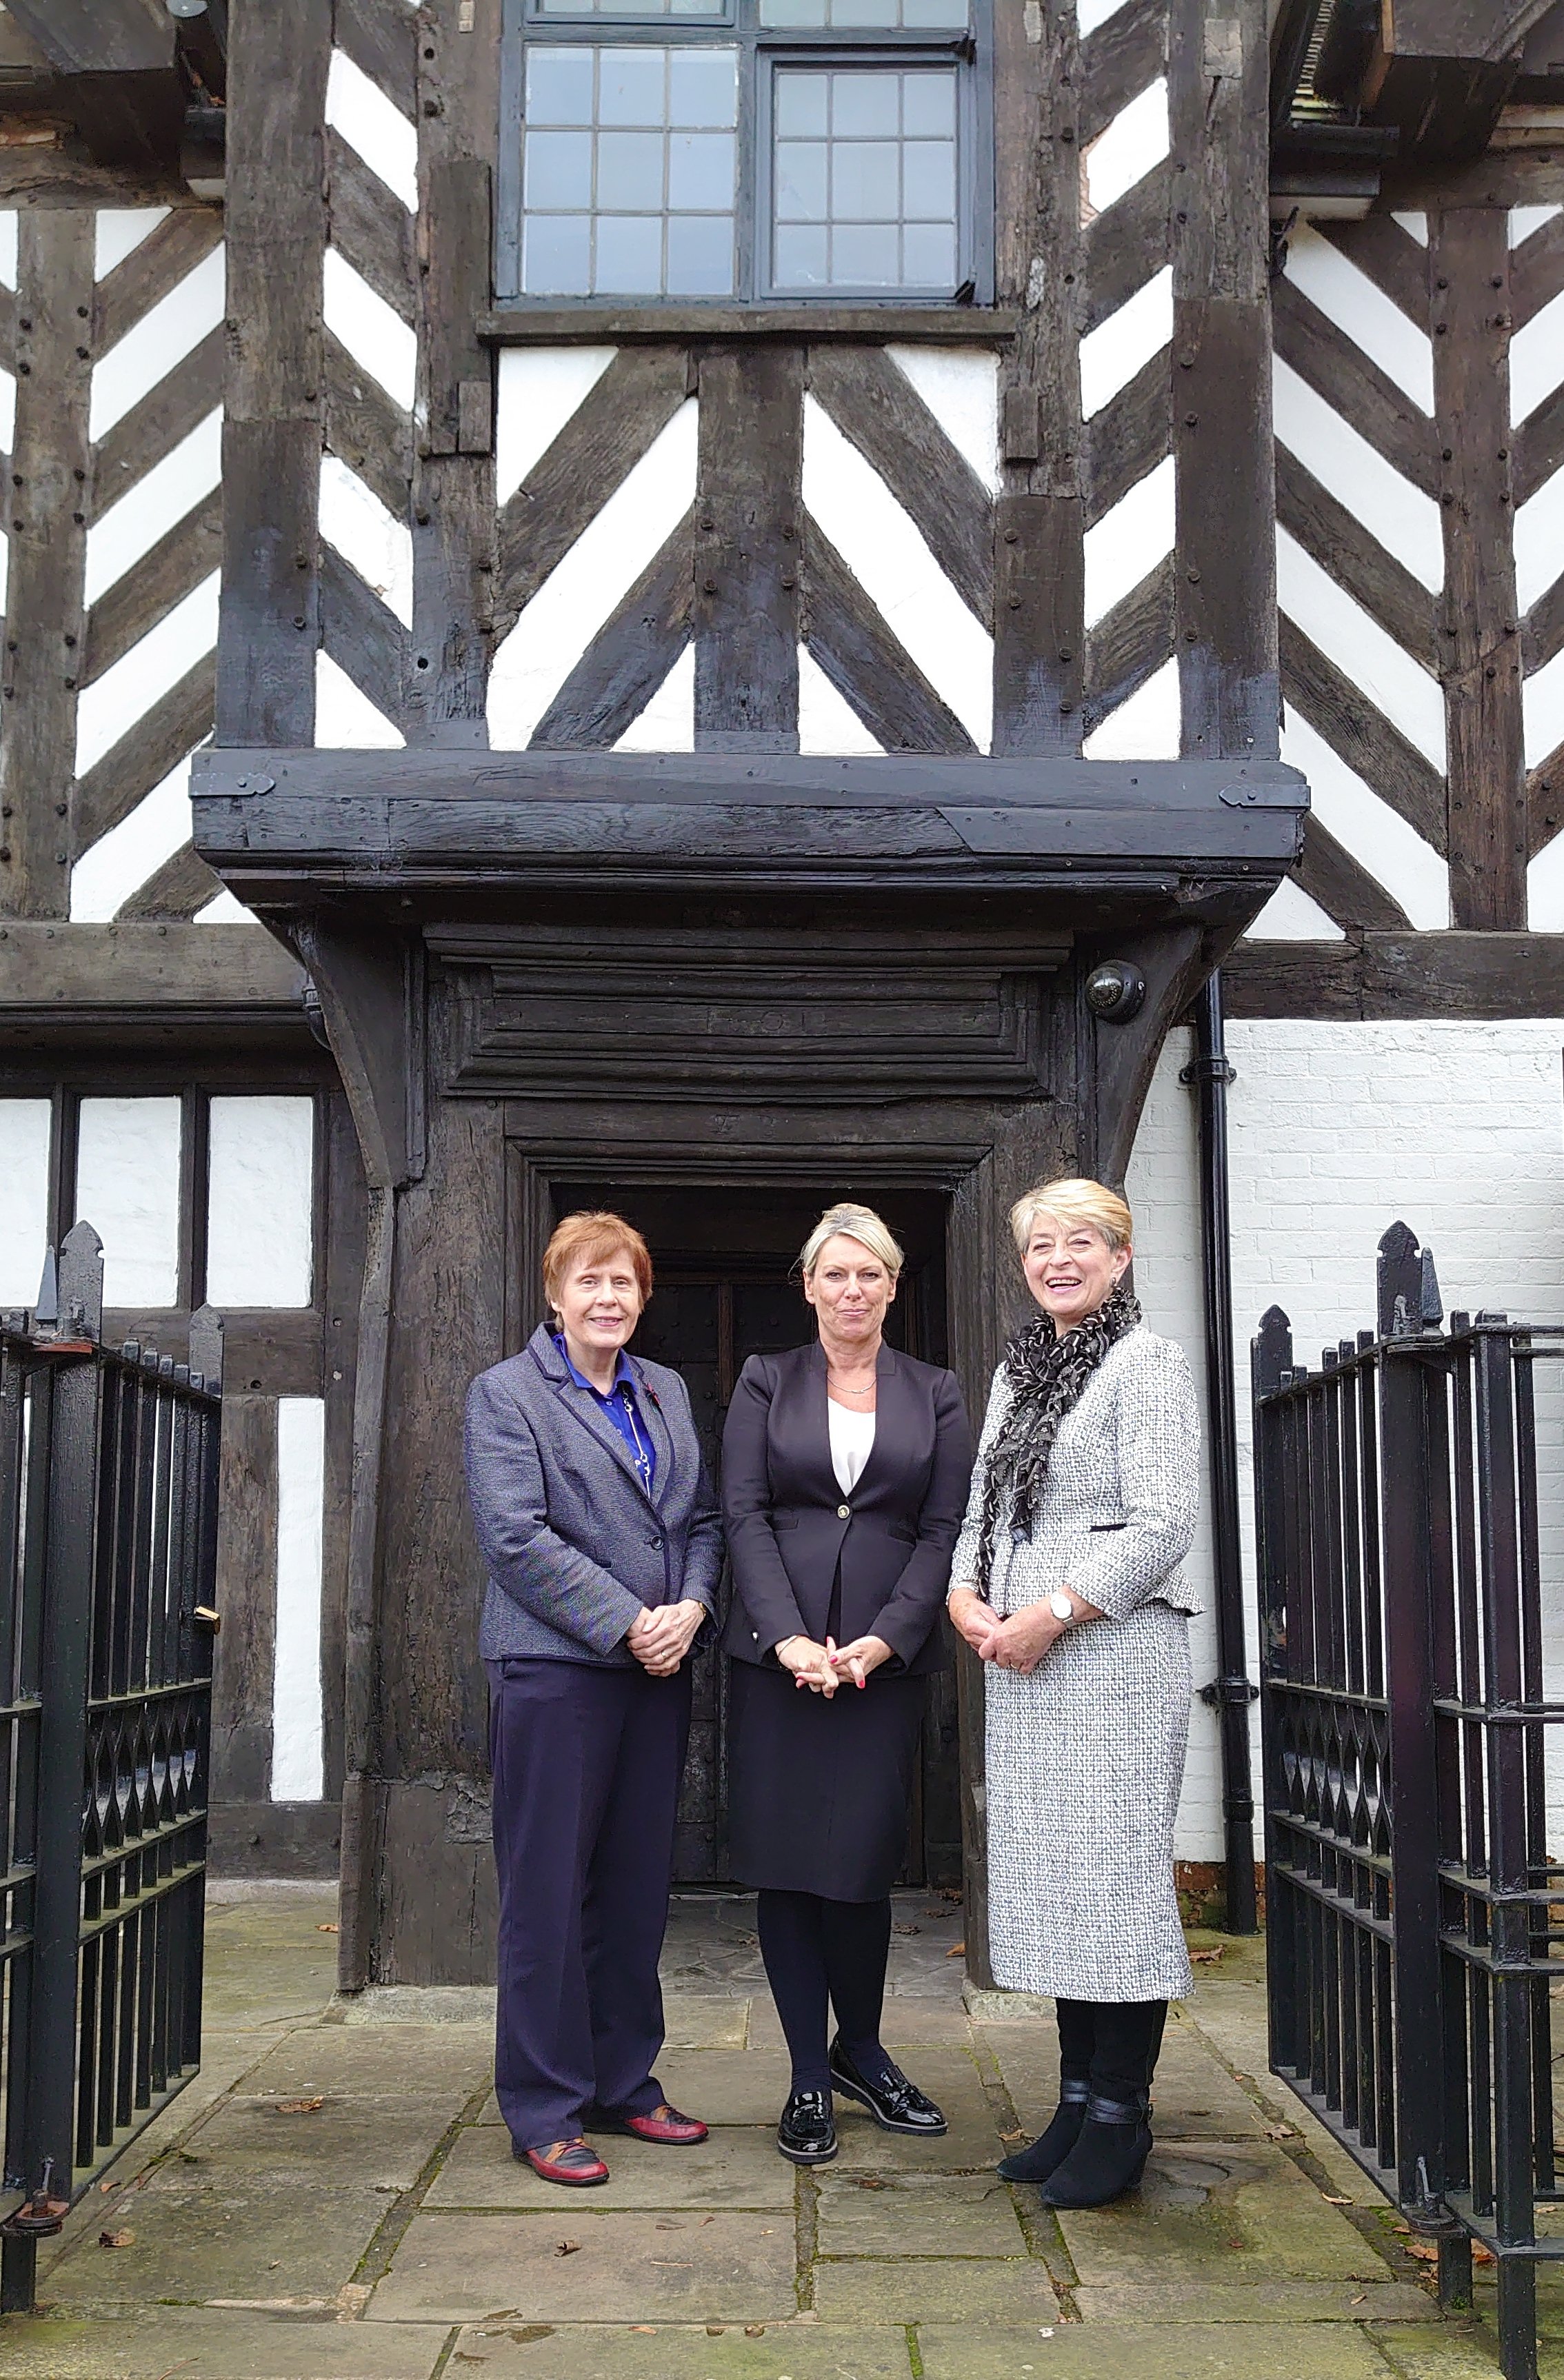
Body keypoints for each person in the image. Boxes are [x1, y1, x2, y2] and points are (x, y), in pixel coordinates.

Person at [947, 1176, 1201, 2210]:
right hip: (1024, 1660)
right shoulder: (1021, 1373)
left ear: (1121, 1255)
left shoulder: (1149, 1364)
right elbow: (981, 1505)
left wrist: (1050, 1610)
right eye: (1041, 1245)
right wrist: (964, 1592)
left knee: (1115, 1888)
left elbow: (1163, 1524)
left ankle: (1121, 2120)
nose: (1058, 1259)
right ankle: (1074, 2101)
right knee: (1059, 1885)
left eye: (1081, 1242)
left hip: (1111, 1657)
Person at [464, 1211, 724, 2187]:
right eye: (589, 1282)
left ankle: (624, 2085)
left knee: (631, 1890)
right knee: (546, 1897)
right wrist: (629, 1620)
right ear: (555, 1295)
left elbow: (701, 1519)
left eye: (624, 1283)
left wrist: (692, 1609)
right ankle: (544, 2105)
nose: (607, 1298)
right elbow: (515, 1538)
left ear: (643, 1296)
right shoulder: (506, 1396)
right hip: (555, 1672)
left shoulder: (664, 1391)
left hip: (656, 1672)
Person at [721, 1201, 973, 2166]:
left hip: (882, 1662)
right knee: (787, 1869)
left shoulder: (936, 1390)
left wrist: (885, 1641)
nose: (853, 1289)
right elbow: (742, 1512)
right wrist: (785, 1637)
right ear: (810, 1286)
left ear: (894, 1287)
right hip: (776, 1663)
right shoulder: (762, 1380)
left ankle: (861, 2050)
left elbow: (945, 1529)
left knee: (860, 1865)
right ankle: (805, 2077)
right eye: (836, 1273)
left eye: (871, 1274)